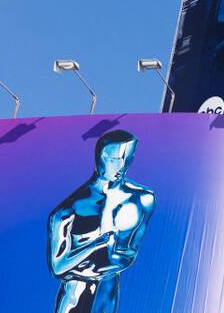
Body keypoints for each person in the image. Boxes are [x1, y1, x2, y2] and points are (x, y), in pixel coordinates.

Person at [47, 130, 155, 313]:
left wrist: (109, 259)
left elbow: (130, 251)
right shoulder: (69, 210)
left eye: (127, 157)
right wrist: (97, 244)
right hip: (76, 292)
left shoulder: (143, 200)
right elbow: (57, 267)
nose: (122, 166)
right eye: (114, 159)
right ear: (100, 158)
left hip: (108, 289)